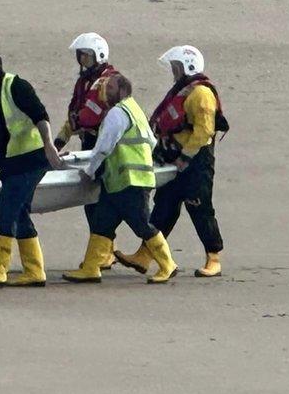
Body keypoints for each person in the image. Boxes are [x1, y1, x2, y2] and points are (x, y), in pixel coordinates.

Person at [115, 46, 228, 278]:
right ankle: (144, 254)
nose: (173, 72)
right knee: (164, 205)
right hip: (173, 159)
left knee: (200, 207)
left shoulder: (201, 94)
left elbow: (204, 131)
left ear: (187, 67)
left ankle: (213, 257)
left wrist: (185, 158)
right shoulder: (182, 90)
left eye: (176, 67)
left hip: (196, 161)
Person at [62, 75, 178, 284]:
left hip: (129, 182)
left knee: (142, 224)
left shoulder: (117, 113)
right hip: (122, 182)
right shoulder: (135, 110)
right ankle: (91, 268)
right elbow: (151, 141)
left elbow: (104, 147)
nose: (105, 91)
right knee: (101, 223)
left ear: (123, 90)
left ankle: (168, 264)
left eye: (111, 87)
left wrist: (89, 172)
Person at [0, 49, 65, 287]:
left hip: (32, 159)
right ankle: (34, 271)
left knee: (7, 208)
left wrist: (49, 146)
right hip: (10, 163)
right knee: (19, 212)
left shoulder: (16, 86)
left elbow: (40, 115)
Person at [52, 33, 122, 270]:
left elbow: (90, 116)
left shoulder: (107, 83)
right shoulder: (85, 83)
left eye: (84, 55)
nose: (81, 59)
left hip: (107, 148)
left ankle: (104, 252)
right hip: (90, 145)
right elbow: (74, 118)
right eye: (79, 55)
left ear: (96, 55)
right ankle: (104, 251)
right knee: (92, 202)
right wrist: (56, 145)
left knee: (102, 202)